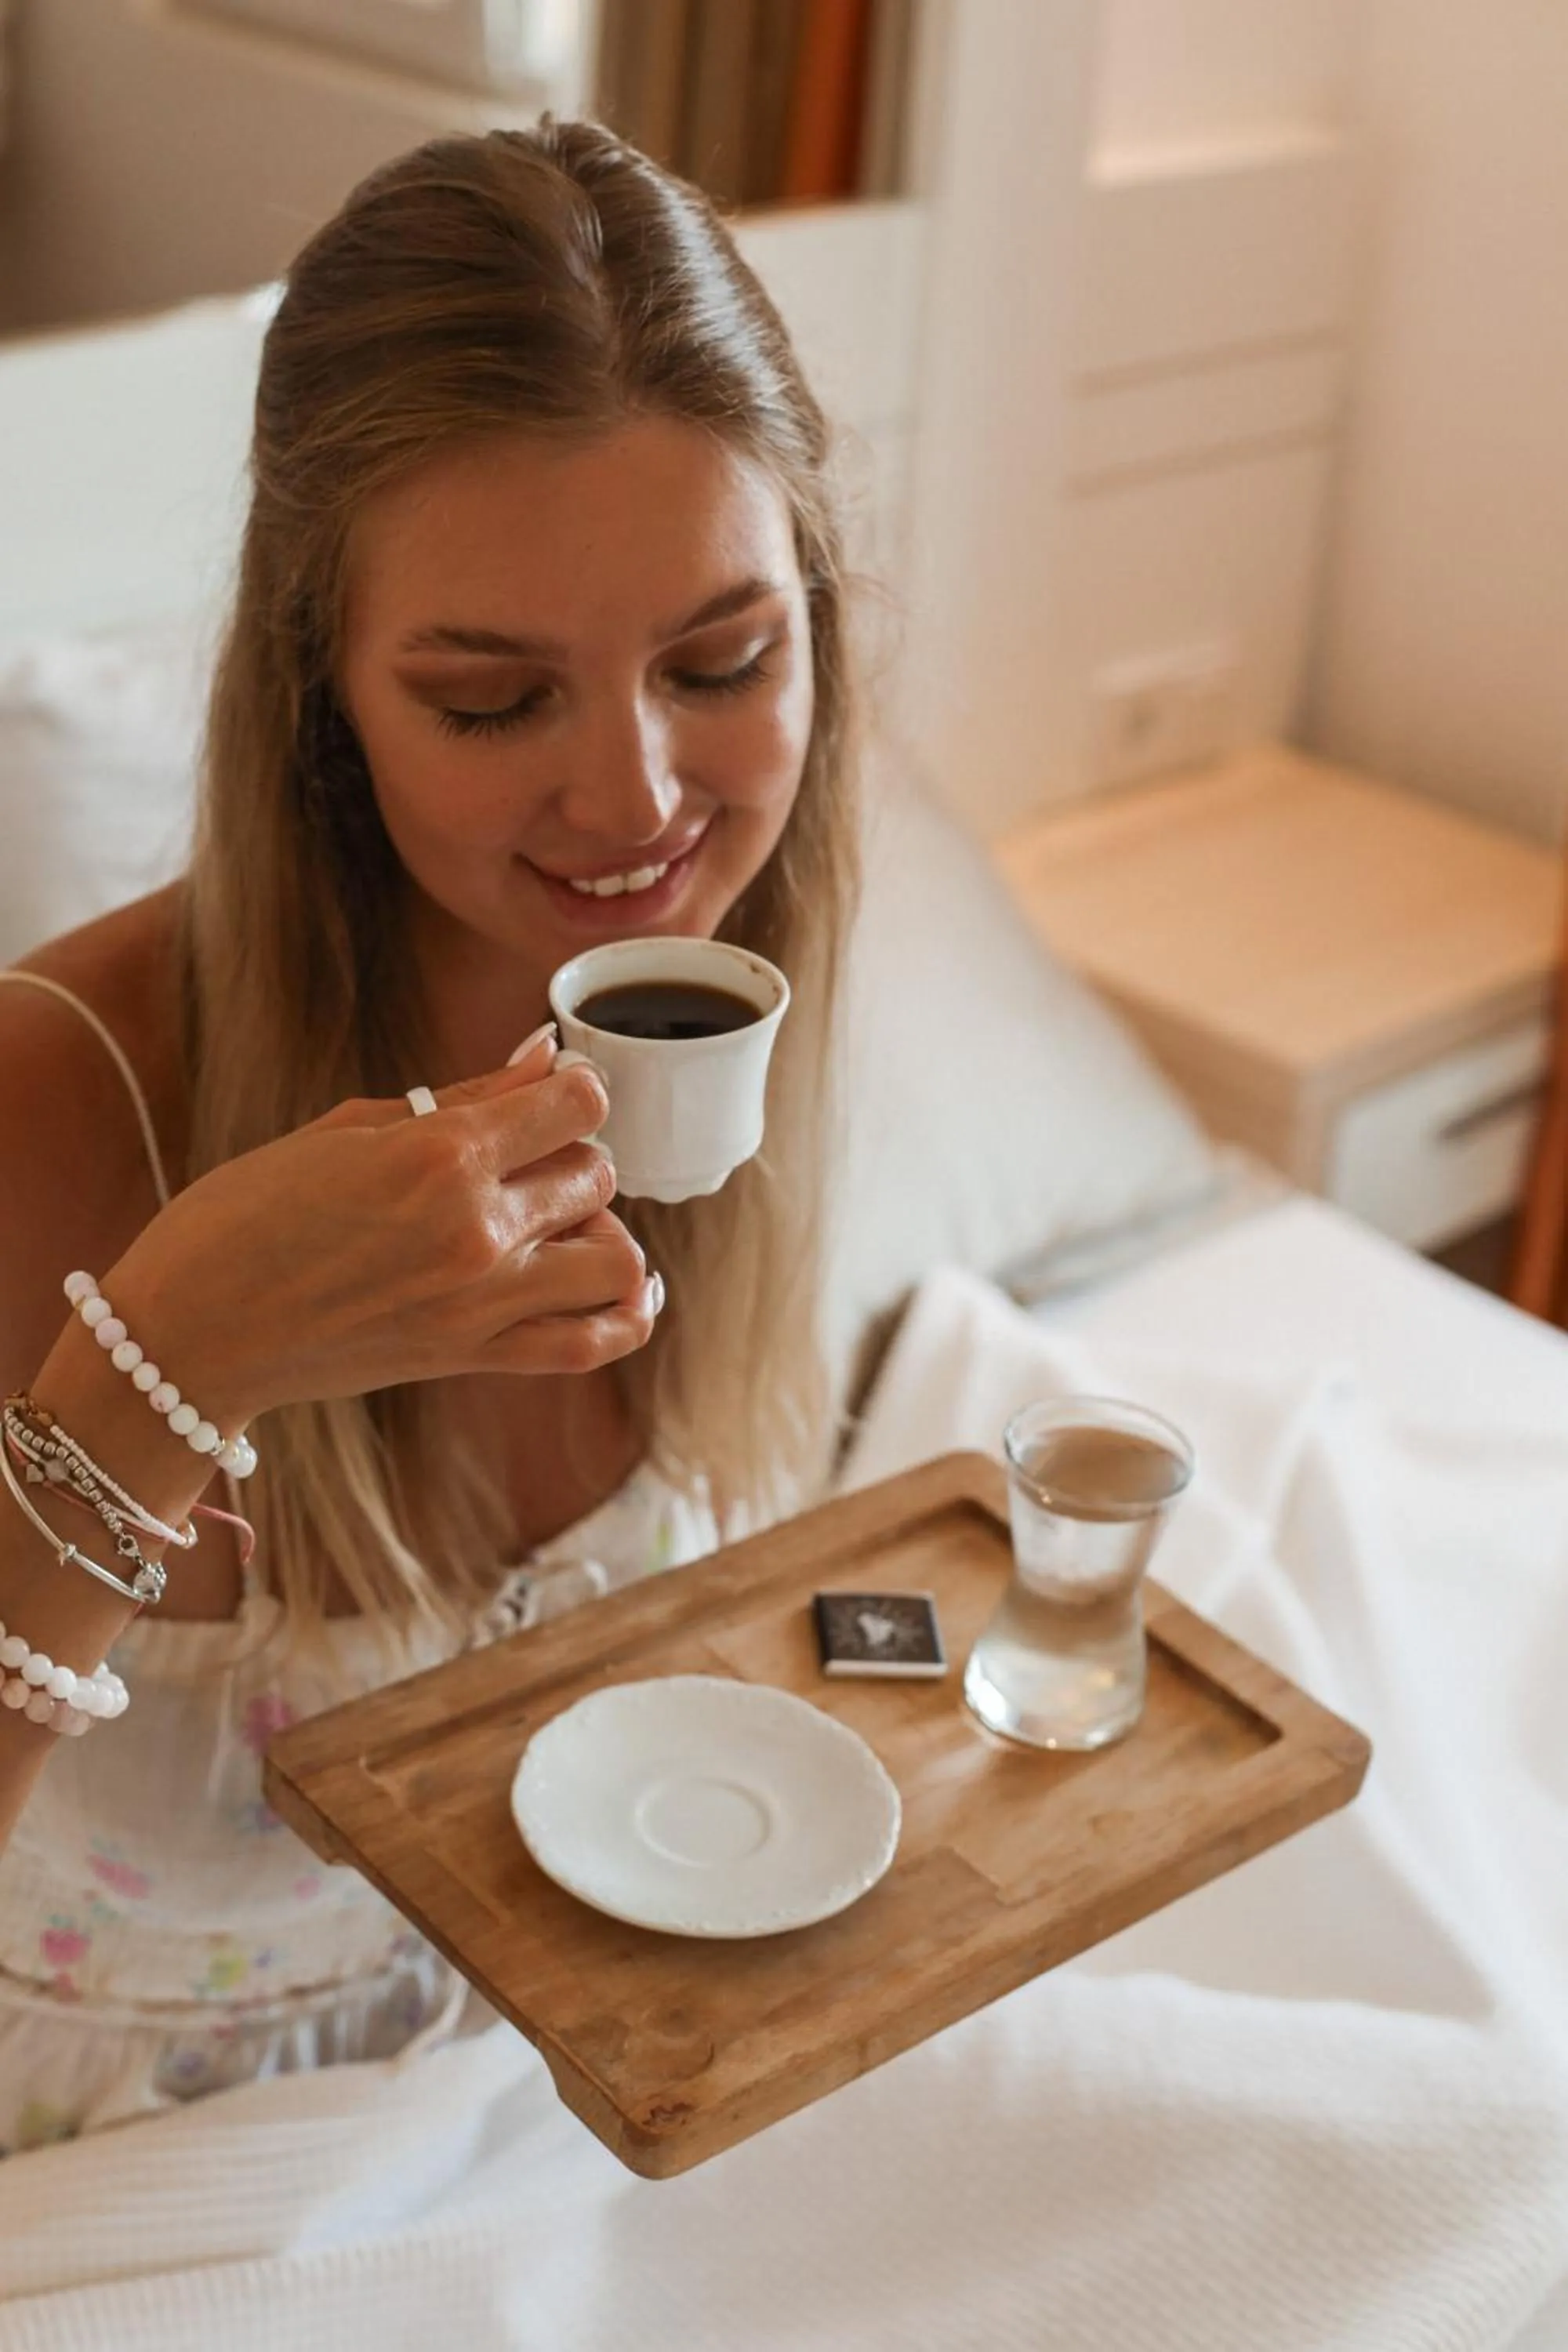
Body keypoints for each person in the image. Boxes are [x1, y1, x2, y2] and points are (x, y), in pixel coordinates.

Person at [0, 121, 858, 2153]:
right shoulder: (52, 1099)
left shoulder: (736, 1014)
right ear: (321, 691)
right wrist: (163, 1371)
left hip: (564, 2102)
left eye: (723, 663)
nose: (640, 801)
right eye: (491, 702)